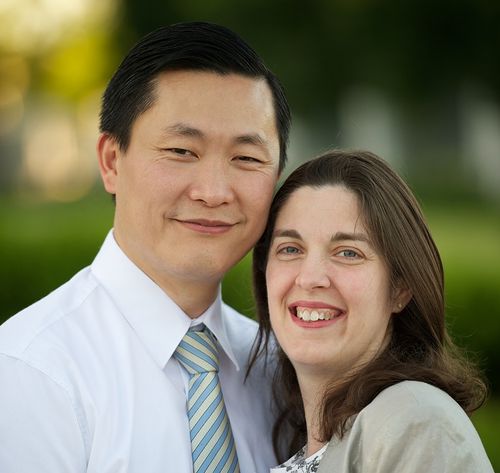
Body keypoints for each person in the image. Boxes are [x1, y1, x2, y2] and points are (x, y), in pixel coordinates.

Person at [0, 22, 291, 473]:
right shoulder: (31, 373)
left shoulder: (280, 369)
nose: (213, 192)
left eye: (247, 158)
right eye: (181, 151)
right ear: (112, 161)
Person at [250, 150, 494, 472]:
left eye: (348, 252)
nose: (310, 278)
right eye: (290, 249)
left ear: (400, 288)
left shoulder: (417, 420)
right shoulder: (302, 445)